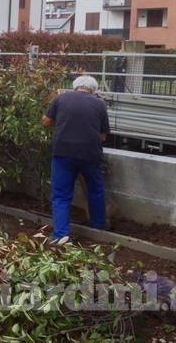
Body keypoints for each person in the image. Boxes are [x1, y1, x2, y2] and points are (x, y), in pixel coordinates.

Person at [41, 75, 110, 241]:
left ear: (75, 86)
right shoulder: (100, 104)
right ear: (94, 90)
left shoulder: (61, 98)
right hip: (90, 154)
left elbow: (46, 121)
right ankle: (98, 227)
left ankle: (60, 236)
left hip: (63, 152)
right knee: (95, 190)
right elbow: (102, 137)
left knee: (61, 195)